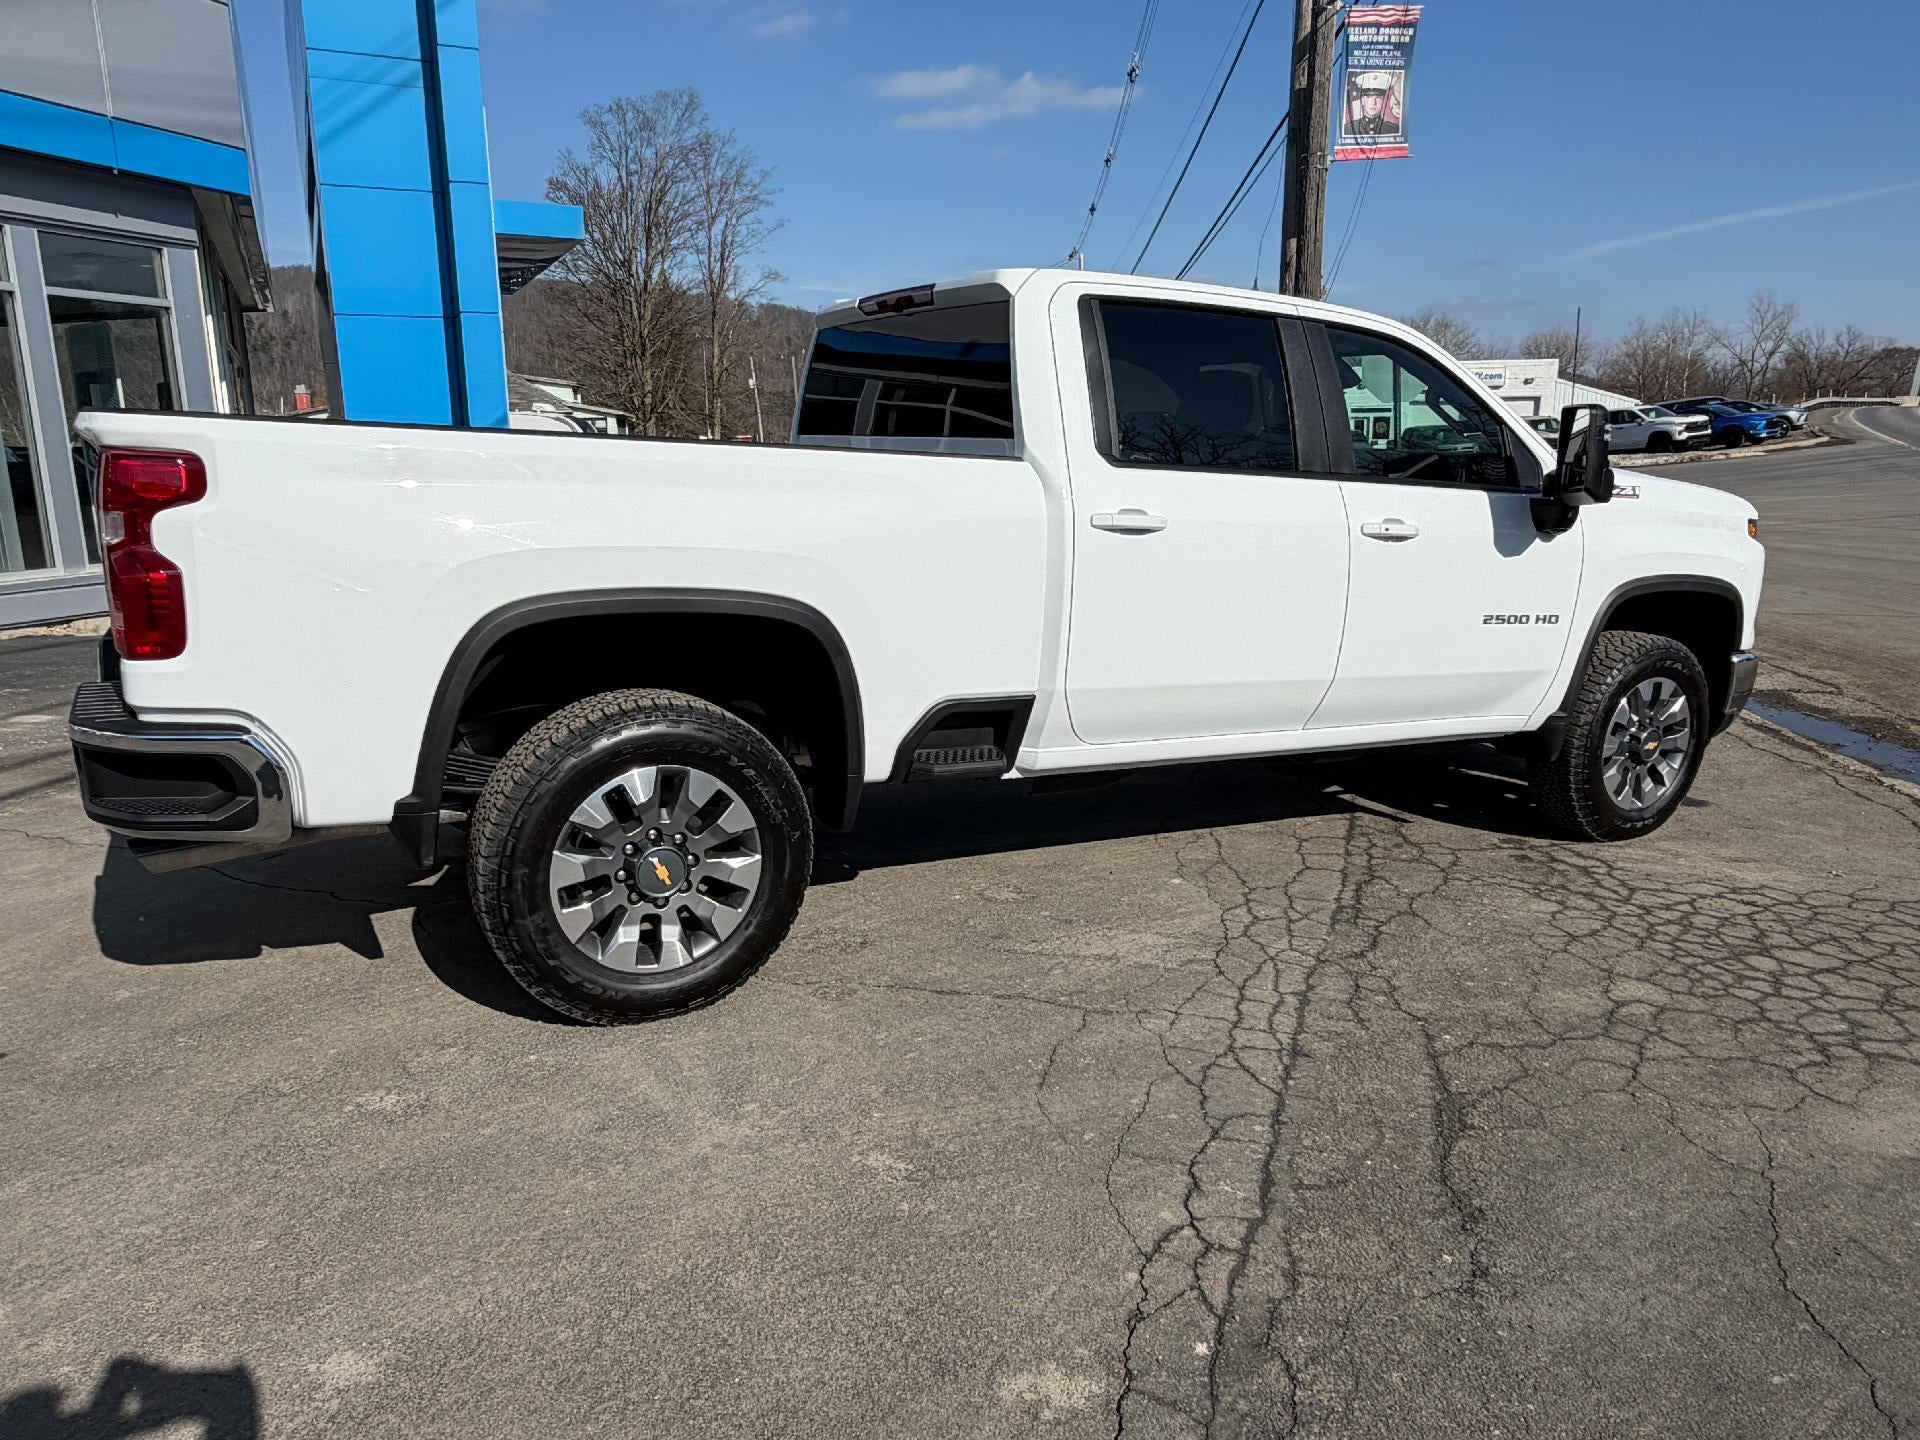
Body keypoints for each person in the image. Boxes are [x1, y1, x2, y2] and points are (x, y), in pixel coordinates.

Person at [1347, 71, 1399, 136]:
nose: (1373, 103)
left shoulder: (1394, 130)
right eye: (1369, 97)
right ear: (1362, 100)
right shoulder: (1348, 129)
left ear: (1383, 101)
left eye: (1378, 98)